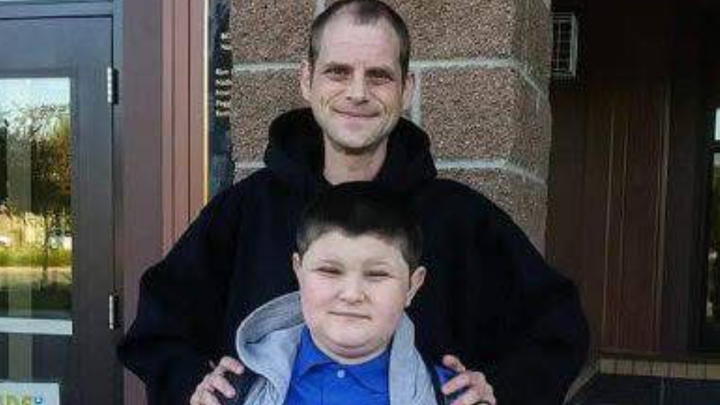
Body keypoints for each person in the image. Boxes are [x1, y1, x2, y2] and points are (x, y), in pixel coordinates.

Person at [117, 1, 589, 404]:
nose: (357, 93)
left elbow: (558, 327)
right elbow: (159, 325)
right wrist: (190, 384)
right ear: (307, 80)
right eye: (338, 72)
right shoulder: (245, 210)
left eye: (378, 76)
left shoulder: (462, 219)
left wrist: (503, 388)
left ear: (406, 89)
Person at [223, 182, 491, 405]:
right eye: (329, 270)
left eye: (377, 274)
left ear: (412, 286)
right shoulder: (234, 390)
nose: (352, 294)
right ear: (299, 271)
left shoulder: (454, 396)